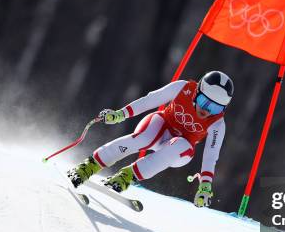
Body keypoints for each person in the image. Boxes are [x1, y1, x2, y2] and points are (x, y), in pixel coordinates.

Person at [67, 71, 233, 208]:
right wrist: (120, 114)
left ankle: (126, 176)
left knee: (180, 145)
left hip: (180, 149)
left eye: (215, 107)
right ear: (197, 92)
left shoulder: (217, 124)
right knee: (143, 137)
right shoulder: (183, 88)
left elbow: (211, 155)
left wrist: (205, 185)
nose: (206, 110)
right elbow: (150, 100)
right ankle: (88, 166)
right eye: (204, 101)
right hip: (161, 126)